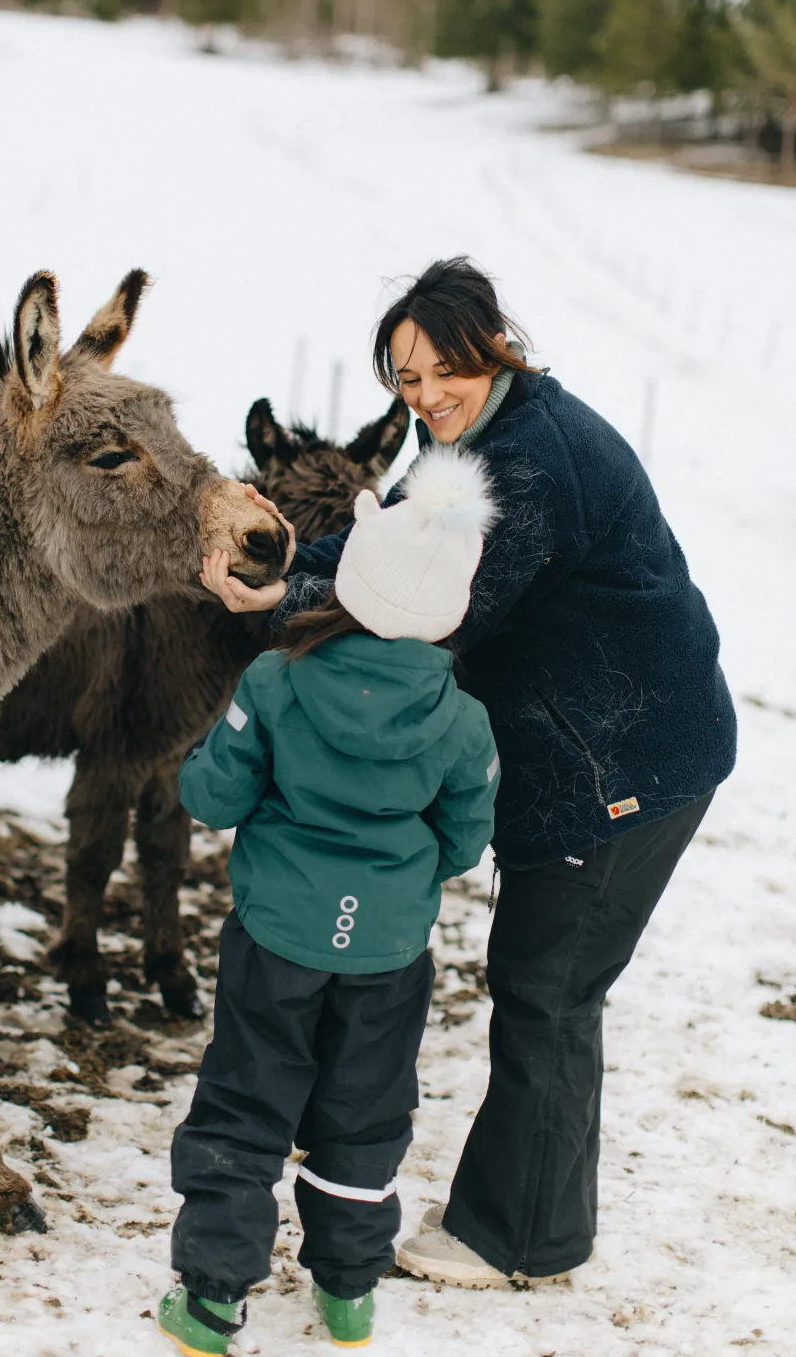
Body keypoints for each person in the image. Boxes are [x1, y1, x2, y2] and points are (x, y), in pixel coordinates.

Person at [198, 256, 737, 1289]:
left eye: (448, 367)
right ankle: (537, 1210)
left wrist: (274, 606)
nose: (428, 395)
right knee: (550, 983)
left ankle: (516, 1235)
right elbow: (380, 562)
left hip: (625, 759)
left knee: (548, 986)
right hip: (586, 742)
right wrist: (280, 573)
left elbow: (426, 609)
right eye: (406, 378)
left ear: (495, 345)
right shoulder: (465, 442)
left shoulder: (530, 465)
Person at [157, 450, 500, 1354]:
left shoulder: (275, 680)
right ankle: (348, 1290)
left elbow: (211, 797)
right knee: (365, 1111)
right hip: (388, 950)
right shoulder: (464, 721)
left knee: (245, 1100)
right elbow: (465, 843)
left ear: (351, 578)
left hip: (277, 936)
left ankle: (211, 1298)